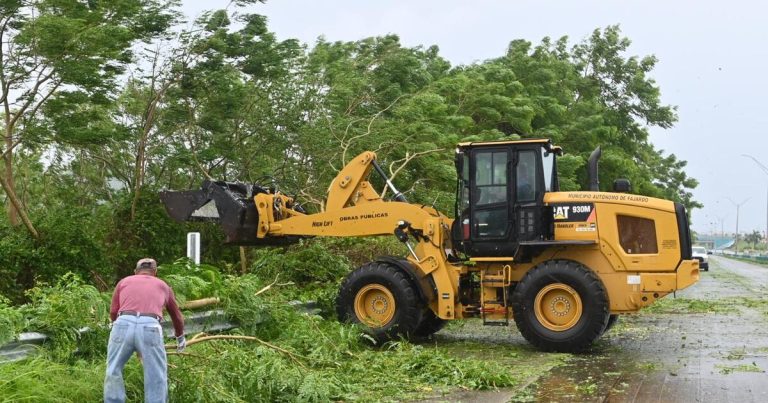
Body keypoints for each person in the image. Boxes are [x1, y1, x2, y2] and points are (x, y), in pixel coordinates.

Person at [104, 258, 185, 403]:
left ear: (135, 271)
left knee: (113, 368)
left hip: (123, 323)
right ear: (155, 272)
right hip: (150, 327)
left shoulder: (124, 282)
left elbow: (113, 311)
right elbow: (177, 316)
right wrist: (180, 337)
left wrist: (116, 326)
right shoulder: (163, 285)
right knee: (156, 375)